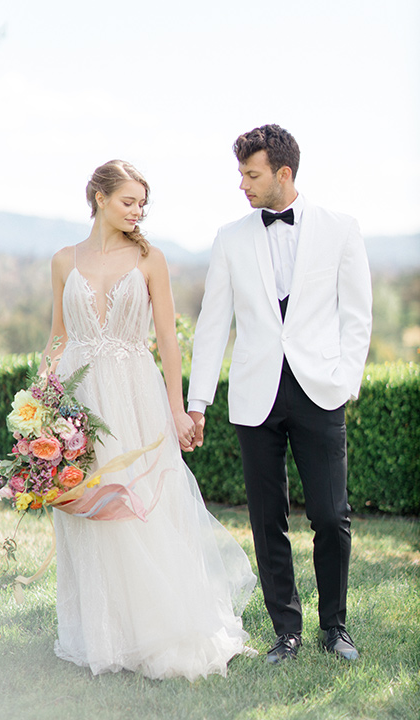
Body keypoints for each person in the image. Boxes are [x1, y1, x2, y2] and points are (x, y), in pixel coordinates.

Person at [38, 159, 256, 681]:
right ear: (99, 198)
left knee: (139, 508)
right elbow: (58, 336)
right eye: (128, 201)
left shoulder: (152, 259)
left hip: (136, 396)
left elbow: (167, 343)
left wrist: (178, 409)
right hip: (81, 399)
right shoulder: (63, 261)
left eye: (142, 203)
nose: (137, 211)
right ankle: (106, 633)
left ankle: (160, 625)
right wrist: (39, 402)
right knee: (88, 509)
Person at [188, 125, 372, 664]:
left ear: (283, 174)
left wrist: (346, 383)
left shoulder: (341, 229)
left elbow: (357, 317)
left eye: (252, 174)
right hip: (254, 396)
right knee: (267, 518)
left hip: (320, 390)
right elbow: (212, 323)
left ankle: (334, 627)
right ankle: (285, 630)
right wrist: (197, 403)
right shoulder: (229, 237)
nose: (242, 185)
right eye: (242, 174)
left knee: (331, 516)